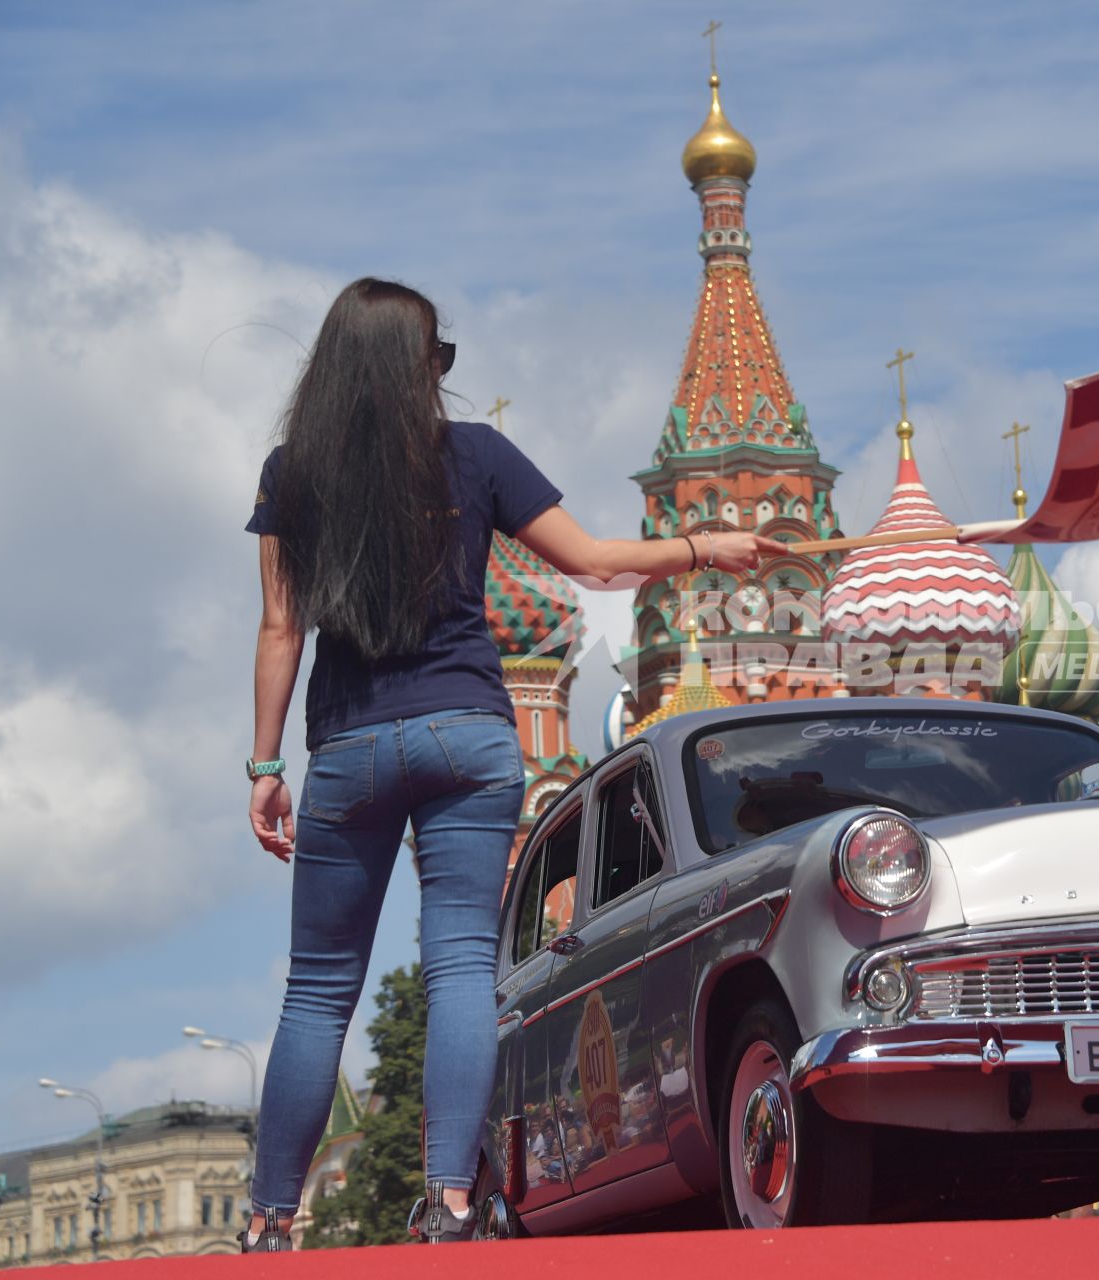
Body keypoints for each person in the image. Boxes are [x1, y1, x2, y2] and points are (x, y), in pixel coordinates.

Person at [239, 278, 778, 1249]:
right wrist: (706, 546)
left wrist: (263, 762)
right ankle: (450, 1203)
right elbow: (597, 563)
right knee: (458, 969)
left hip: (350, 745)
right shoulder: (476, 456)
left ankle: (270, 1221)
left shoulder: (292, 474)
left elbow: (280, 627)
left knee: (320, 987)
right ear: (422, 371)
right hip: (472, 739)